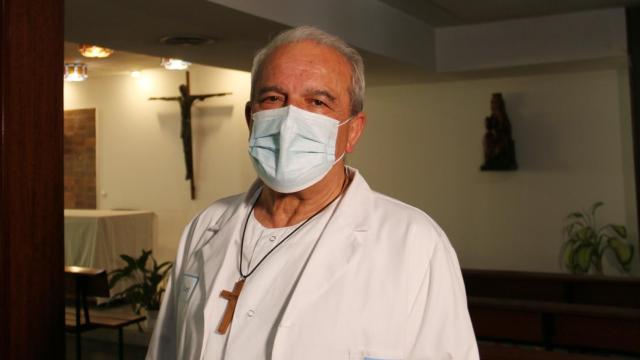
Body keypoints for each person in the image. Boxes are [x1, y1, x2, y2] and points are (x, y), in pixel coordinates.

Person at [147, 26, 478, 360]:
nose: (290, 121)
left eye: (317, 102)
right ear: (251, 117)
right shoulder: (206, 226)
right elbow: (164, 350)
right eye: (273, 99)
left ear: (353, 130)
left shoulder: (414, 244)